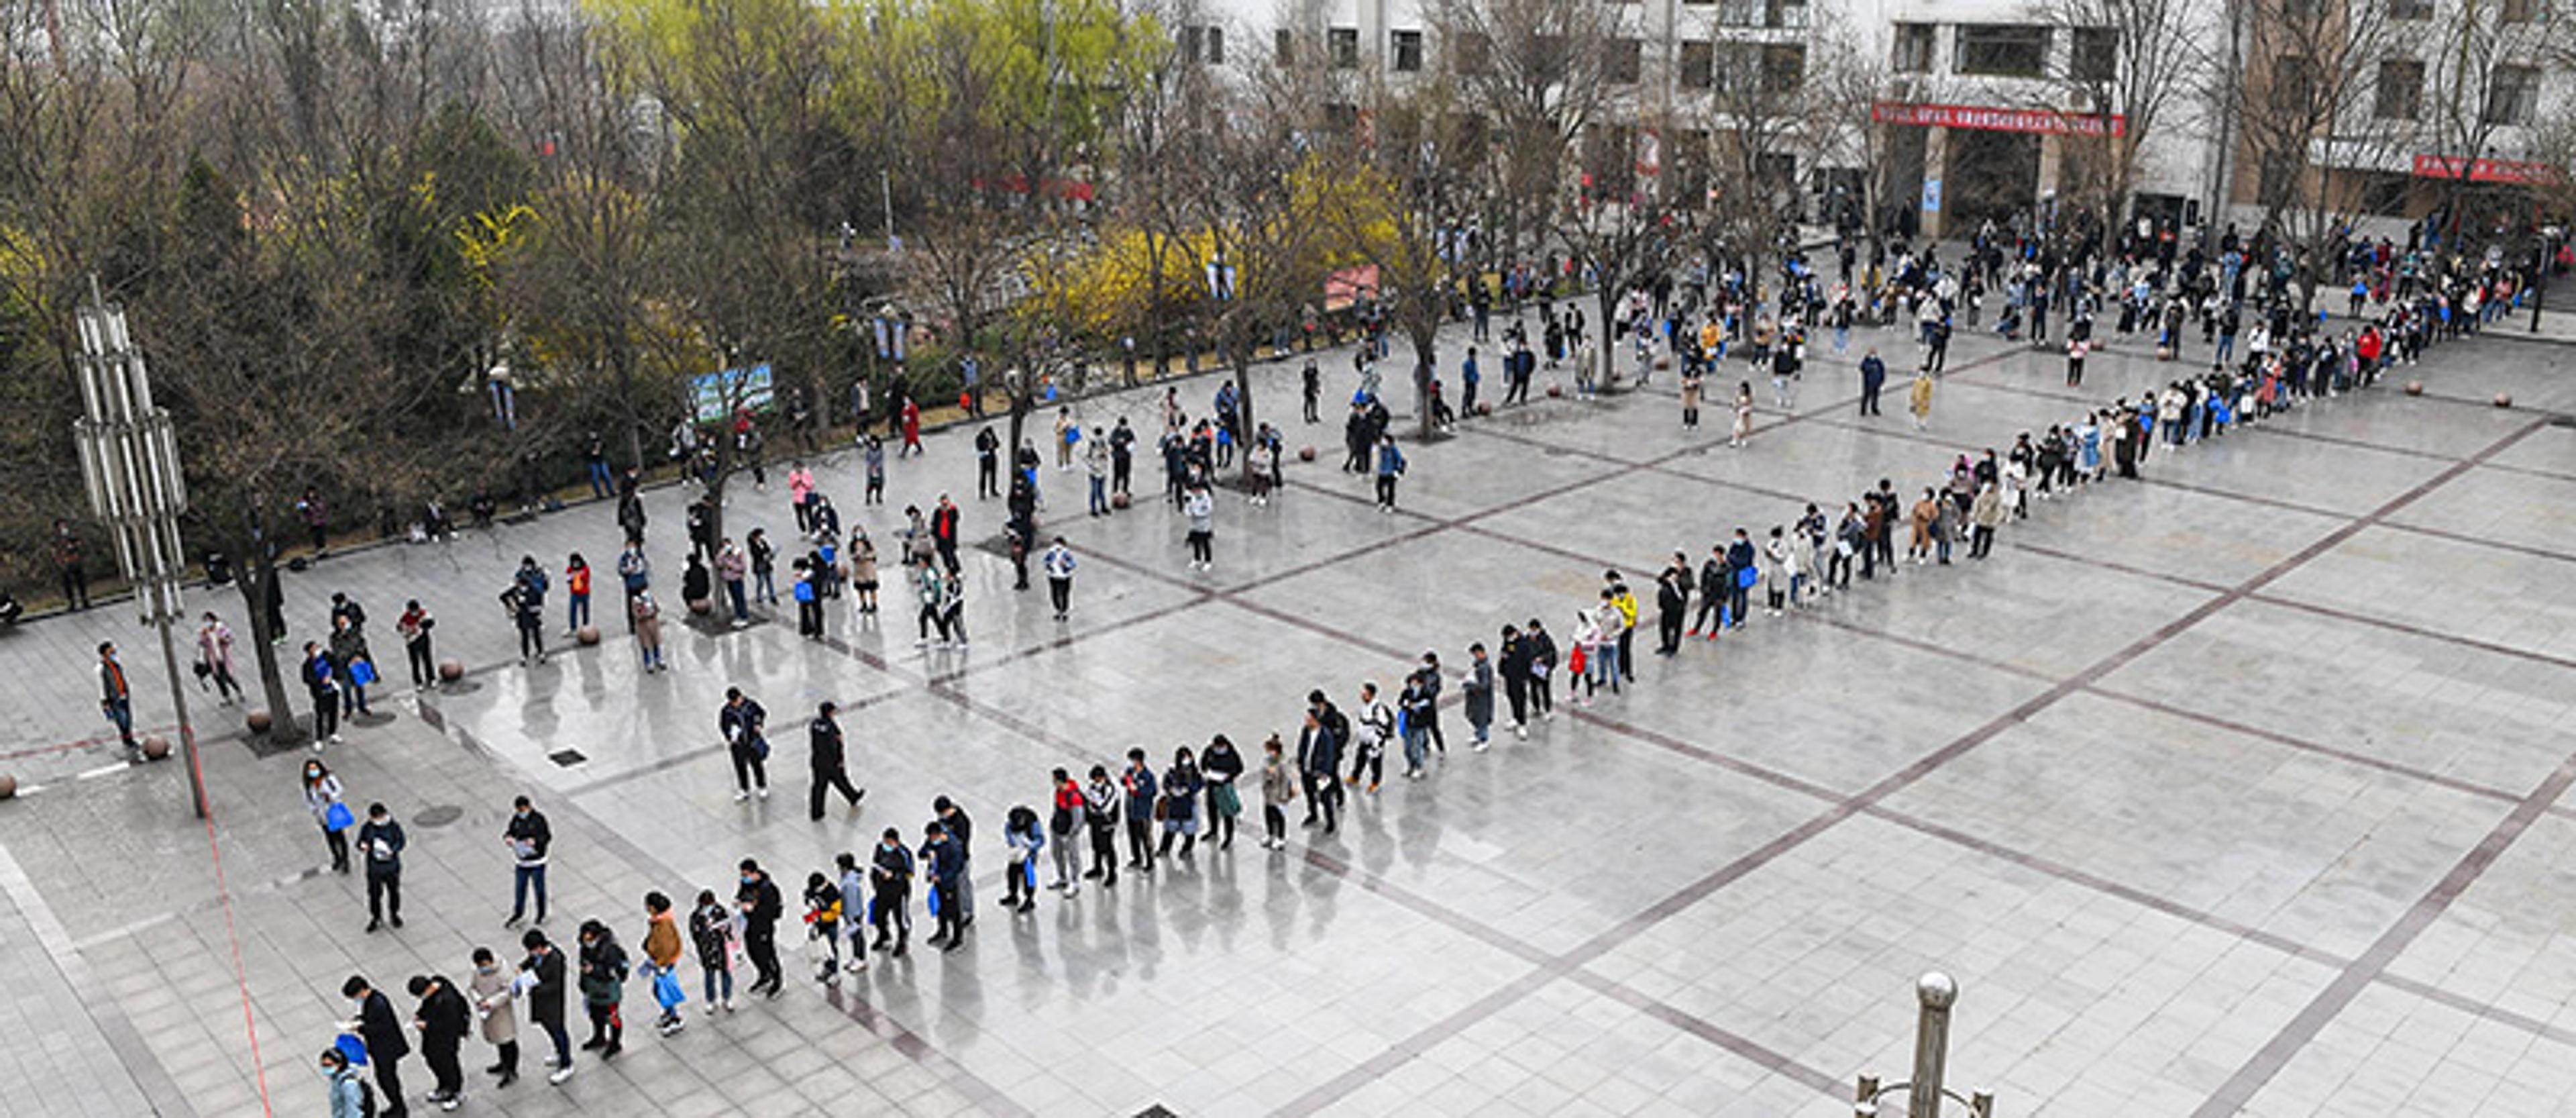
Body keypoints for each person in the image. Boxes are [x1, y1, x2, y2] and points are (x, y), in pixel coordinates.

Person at [341, 975, 411, 1118]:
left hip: (386, 1049)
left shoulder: (378, 1004)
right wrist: (359, 1020)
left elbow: (380, 1027)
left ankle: (399, 1108)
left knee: (388, 1079)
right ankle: (396, 1105)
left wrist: (360, 1028)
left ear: (362, 991)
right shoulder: (372, 1001)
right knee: (385, 1078)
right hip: (381, 1048)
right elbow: (371, 1019)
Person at [517, 929, 575, 1084]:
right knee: (550, 1030)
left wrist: (534, 988)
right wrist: (522, 967)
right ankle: (559, 1053)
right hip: (542, 1002)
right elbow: (531, 961)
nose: (532, 953)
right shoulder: (539, 954)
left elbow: (556, 985)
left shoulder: (555, 959)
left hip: (552, 1004)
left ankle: (566, 1063)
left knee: (558, 1032)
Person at [407, 973, 470, 1111]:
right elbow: (426, 1004)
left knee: (449, 1064)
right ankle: (443, 1087)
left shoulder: (448, 1001)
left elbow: (449, 1025)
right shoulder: (435, 988)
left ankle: (456, 1092)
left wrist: (427, 1026)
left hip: (446, 1039)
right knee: (432, 1059)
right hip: (432, 1038)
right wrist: (420, 1014)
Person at [466, 947, 519, 1089]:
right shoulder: (477, 971)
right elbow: (472, 988)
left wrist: (491, 1003)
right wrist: (479, 1000)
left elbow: (509, 992)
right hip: (487, 1011)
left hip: (501, 1012)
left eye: (483, 965)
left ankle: (511, 1070)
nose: (481, 968)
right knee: (498, 1040)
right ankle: (503, 1064)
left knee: (507, 1040)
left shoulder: (503, 972)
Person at [574, 921, 627, 1060]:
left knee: (613, 1018)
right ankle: (599, 1037)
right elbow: (583, 965)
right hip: (593, 990)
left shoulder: (610, 950)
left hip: (609, 992)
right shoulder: (585, 948)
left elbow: (613, 973)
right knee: (595, 1015)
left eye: (590, 938)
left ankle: (615, 1043)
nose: (587, 942)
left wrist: (594, 971)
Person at [807, 701, 866, 819]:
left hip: (817, 760)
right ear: (830, 712)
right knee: (841, 780)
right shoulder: (831, 727)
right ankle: (853, 796)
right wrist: (840, 759)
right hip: (831, 762)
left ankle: (816, 811)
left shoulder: (814, 724)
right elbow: (834, 745)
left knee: (819, 787)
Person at [1297, 691, 1345, 834]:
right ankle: (1313, 814)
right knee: (1309, 794)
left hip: (1321, 773)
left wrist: (1324, 772)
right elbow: (1302, 747)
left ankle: (1330, 822)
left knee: (1325, 798)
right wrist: (1301, 761)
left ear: (1316, 721)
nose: (1306, 721)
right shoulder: (1306, 731)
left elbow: (1329, 756)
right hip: (1307, 770)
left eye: (1309, 719)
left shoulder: (1326, 736)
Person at [736, 859, 785, 996]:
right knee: (753, 951)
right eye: (742, 875)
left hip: (764, 926)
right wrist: (739, 902)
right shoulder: (746, 884)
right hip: (749, 924)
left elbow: (772, 911)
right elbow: (742, 895)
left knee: (768, 954)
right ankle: (764, 975)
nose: (744, 878)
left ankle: (777, 982)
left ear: (754, 873)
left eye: (746, 875)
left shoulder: (768, 889)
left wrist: (754, 909)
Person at [356, 803, 405, 931]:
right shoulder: (367, 828)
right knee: (374, 895)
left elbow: (401, 841)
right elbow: (360, 843)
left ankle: (394, 914)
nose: (380, 819)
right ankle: (376, 917)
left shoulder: (393, 826)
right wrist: (363, 846)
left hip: (391, 867)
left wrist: (392, 850)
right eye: (377, 817)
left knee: (393, 892)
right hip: (375, 869)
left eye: (381, 816)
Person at [504, 796, 551, 929]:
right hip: (522, 862)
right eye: (519, 809)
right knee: (520, 890)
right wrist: (508, 838)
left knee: (539, 889)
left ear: (529, 806)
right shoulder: (516, 819)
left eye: (523, 809)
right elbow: (510, 831)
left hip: (537, 862)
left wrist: (535, 841)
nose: (521, 812)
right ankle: (518, 914)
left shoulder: (538, 819)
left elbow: (547, 836)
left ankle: (541, 914)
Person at [920, 821, 967, 951]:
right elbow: (921, 853)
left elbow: (957, 868)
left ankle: (958, 938)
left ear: (940, 834)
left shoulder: (954, 846)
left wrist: (942, 877)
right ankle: (943, 930)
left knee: (953, 909)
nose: (931, 840)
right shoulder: (932, 841)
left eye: (933, 838)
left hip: (948, 882)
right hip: (937, 880)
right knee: (941, 907)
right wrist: (928, 853)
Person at [867, 829, 914, 958]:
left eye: (889, 842)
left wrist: (894, 876)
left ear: (895, 842)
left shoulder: (904, 853)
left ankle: (902, 942)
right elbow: (875, 865)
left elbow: (910, 873)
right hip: (882, 890)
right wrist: (875, 883)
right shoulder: (880, 849)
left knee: (900, 919)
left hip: (899, 892)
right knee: (879, 916)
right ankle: (884, 936)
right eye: (885, 841)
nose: (886, 844)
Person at [686, 890, 735, 1013]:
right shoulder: (696, 916)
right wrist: (706, 930)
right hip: (706, 950)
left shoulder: (720, 911)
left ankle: (727, 998)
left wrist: (724, 929)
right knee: (709, 976)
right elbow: (695, 934)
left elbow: (728, 926)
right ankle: (711, 1000)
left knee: (726, 974)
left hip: (721, 948)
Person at [721, 687, 770, 802]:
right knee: (740, 767)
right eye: (732, 702)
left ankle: (762, 786)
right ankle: (744, 789)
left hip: (752, 741)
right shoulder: (726, 711)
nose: (735, 703)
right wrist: (729, 737)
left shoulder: (750, 705)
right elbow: (723, 726)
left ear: (740, 697)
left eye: (737, 700)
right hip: (737, 745)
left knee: (757, 765)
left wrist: (758, 724)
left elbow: (761, 713)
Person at [304, 758, 352, 872]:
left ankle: (345, 860)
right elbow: (309, 801)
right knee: (330, 838)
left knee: (340, 837)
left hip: (333, 812)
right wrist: (315, 813)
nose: (313, 771)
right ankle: (337, 858)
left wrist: (330, 796)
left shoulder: (329, 779)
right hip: (323, 816)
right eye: (311, 769)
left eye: (315, 768)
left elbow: (339, 790)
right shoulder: (309, 785)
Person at [1200, 734, 1245, 850]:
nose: (1218, 749)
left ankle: (1228, 837)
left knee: (1227, 813)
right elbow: (1203, 763)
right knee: (1212, 809)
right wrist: (1207, 771)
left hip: (1224, 787)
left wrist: (1229, 776)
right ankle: (1213, 830)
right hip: (1212, 785)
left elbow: (1239, 768)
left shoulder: (1231, 754)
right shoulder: (1209, 751)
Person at [98, 640, 140, 762]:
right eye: (110, 650)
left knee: (128, 719)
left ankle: (129, 738)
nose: (113, 651)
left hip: (123, 695)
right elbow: (101, 686)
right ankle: (127, 740)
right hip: (114, 699)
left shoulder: (116, 664)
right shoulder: (101, 669)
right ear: (104, 653)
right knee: (122, 720)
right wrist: (105, 703)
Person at [802, 872, 847, 980]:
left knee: (831, 949)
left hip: (830, 924)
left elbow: (836, 912)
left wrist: (821, 918)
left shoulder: (833, 893)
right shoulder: (813, 889)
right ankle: (826, 969)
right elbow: (808, 897)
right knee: (822, 949)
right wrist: (810, 907)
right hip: (818, 923)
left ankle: (834, 972)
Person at [1046, 768, 1085, 897]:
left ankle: (1074, 882)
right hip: (1057, 829)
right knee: (1057, 854)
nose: (1052, 782)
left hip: (1068, 833)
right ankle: (1062, 877)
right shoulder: (1058, 792)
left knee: (1073, 857)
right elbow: (1056, 808)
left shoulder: (1074, 797)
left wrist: (1071, 834)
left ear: (1059, 780)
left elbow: (1078, 819)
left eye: (1054, 779)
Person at [328, 615, 374, 720]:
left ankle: (362, 706)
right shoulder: (335, 637)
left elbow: (361, 644)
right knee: (346, 688)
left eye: (345, 622)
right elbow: (337, 651)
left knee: (359, 686)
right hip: (344, 666)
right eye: (342, 623)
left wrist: (358, 655)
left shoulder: (354, 633)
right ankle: (348, 709)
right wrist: (349, 659)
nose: (344, 625)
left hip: (357, 663)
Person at [1120, 748, 1159, 872]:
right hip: (1131, 809)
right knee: (1133, 836)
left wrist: (1138, 790)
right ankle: (1137, 858)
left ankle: (1150, 861)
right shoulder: (1130, 772)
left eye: (1133, 760)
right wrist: (1125, 781)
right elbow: (1125, 782)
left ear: (1139, 761)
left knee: (1145, 837)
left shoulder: (1148, 776)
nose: (1131, 763)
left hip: (1143, 812)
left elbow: (1153, 791)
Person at [1081, 766, 1120, 887]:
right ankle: (1098, 868)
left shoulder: (1110, 789)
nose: (1095, 781)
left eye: (1097, 779)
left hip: (1107, 822)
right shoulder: (1093, 787)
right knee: (1096, 845)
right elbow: (1089, 801)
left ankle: (1112, 874)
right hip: (1095, 821)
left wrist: (1092, 802)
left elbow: (1104, 807)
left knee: (1108, 848)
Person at [1000, 805, 1042, 913]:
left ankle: (1030, 899)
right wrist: (1013, 844)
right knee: (1011, 873)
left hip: (1029, 854)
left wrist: (1030, 846)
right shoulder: (1011, 823)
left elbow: (1040, 840)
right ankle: (1013, 895)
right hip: (1016, 853)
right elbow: (1008, 831)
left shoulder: (1033, 823)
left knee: (1029, 877)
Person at [1258, 735, 1297, 850]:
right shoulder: (1267, 761)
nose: (1268, 753)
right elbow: (1263, 774)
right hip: (1268, 793)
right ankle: (1270, 834)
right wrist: (1267, 776)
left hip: (1278, 794)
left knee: (1279, 816)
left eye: (1270, 750)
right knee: (1268, 814)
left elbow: (1285, 780)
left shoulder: (1283, 763)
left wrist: (1284, 797)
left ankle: (1281, 837)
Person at [197, 612, 244, 704]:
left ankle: (239, 692)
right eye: (205, 621)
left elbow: (230, 639)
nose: (207, 623)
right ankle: (227, 697)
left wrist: (223, 639)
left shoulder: (221, 629)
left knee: (228, 677)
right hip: (213, 660)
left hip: (223, 658)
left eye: (208, 620)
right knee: (218, 678)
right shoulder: (205, 633)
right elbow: (202, 645)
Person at [319, 1046, 370, 1118]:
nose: (325, 1068)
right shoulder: (336, 1077)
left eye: (328, 1065)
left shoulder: (349, 1085)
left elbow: (353, 1111)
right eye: (323, 1065)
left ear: (339, 1064)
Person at [392, 601, 433, 691]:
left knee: (427, 659)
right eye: (412, 611)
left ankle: (431, 678)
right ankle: (418, 682)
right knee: (415, 663)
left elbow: (431, 623)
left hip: (423, 639)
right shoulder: (405, 618)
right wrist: (408, 630)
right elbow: (400, 628)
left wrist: (421, 626)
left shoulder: (423, 614)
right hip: (412, 642)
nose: (415, 613)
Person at [1462, 642, 1495, 751]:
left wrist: (1471, 685)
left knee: (1482, 719)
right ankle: (1478, 735)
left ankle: (1484, 740)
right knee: (1474, 716)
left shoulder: (1485, 667)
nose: (1475, 656)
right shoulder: (1477, 664)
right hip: (1474, 698)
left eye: (1476, 654)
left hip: (1482, 699)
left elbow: (1484, 685)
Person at [53, 519, 89, 611]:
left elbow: (79, 544)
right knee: (67, 584)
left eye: (64, 525)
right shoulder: (56, 538)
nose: (63, 527)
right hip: (65, 563)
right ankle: (71, 602)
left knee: (80, 581)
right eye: (61, 525)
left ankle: (85, 599)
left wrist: (74, 546)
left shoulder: (72, 534)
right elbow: (56, 550)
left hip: (75, 560)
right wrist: (59, 560)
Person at [632, 590, 667, 673]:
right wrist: (643, 614)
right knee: (646, 645)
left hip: (653, 625)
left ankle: (658, 659)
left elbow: (657, 608)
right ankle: (648, 662)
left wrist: (653, 610)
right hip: (643, 628)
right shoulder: (636, 602)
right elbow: (636, 615)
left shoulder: (649, 598)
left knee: (655, 642)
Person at [1042, 537, 1076, 621]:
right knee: (1054, 594)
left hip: (1065, 576)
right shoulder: (1051, 552)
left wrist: (1065, 565)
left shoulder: (1066, 553)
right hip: (1054, 576)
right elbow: (1045, 561)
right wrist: (1049, 566)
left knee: (1064, 594)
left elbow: (1073, 564)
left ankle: (1064, 611)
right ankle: (1058, 610)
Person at [1183, 483, 1216, 570]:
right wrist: (1189, 512)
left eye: (1196, 490)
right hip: (1195, 524)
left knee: (1205, 543)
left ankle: (1208, 561)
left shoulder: (1206, 498)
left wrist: (1198, 513)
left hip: (1204, 524)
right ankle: (1197, 559)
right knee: (1196, 542)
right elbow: (1188, 507)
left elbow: (1208, 509)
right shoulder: (1192, 497)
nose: (1195, 492)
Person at [1373, 434, 1407, 512]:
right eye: (1382, 440)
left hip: (1390, 472)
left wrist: (1397, 470)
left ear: (1389, 442)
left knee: (1391, 490)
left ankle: (1390, 505)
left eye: (1384, 440)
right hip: (1381, 472)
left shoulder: (1393, 450)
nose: (1382, 442)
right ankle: (1381, 501)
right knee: (1379, 487)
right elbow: (1376, 458)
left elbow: (1399, 459)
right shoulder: (1380, 449)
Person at [564, 554, 592, 635]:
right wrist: (572, 577)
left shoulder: (585, 568)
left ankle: (586, 626)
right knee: (573, 610)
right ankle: (573, 628)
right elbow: (568, 579)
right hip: (574, 593)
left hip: (584, 593)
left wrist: (579, 575)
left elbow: (586, 579)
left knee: (585, 610)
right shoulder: (570, 569)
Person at [1909, 366, 1935, 431]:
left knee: (1923, 413)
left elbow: (1929, 392)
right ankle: (1916, 424)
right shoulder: (1917, 380)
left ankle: (1922, 424)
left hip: (1923, 400)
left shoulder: (1928, 382)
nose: (1921, 373)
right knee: (1915, 412)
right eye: (1920, 372)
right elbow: (1914, 389)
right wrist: (1912, 398)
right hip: (1916, 399)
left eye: (1923, 372)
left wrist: (1927, 400)